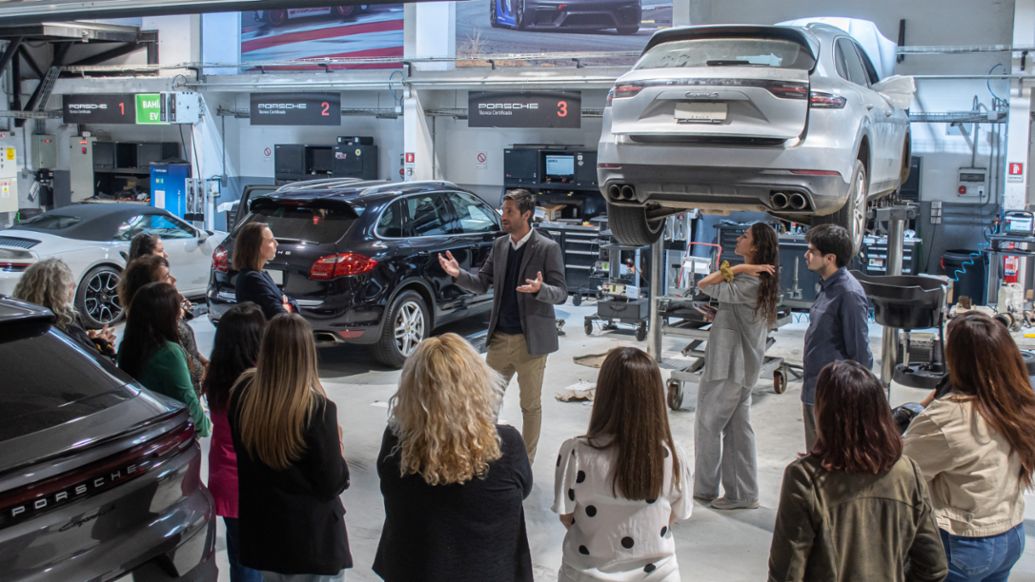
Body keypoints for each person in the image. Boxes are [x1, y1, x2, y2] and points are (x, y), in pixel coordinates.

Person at [373, 333, 533, 582]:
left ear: (411, 388)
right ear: (479, 384)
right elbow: (523, 491)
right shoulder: (506, 444)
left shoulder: (397, 444)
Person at [768, 360, 947, 581]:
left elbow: (786, 574)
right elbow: (933, 567)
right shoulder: (907, 472)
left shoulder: (805, 478)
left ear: (824, 413)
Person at [903, 311, 1035, 582]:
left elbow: (904, 472)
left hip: (964, 543)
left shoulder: (950, 417)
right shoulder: (1018, 403)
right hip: (1009, 533)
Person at [437, 188, 567, 461]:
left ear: (526, 215)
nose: (503, 216)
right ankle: (485, 458)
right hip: (499, 340)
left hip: (530, 343)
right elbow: (482, 282)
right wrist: (457, 274)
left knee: (529, 406)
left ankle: (526, 464)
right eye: (503, 210)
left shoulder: (547, 248)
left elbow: (561, 292)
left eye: (510, 211)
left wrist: (540, 289)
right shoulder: (500, 245)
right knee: (485, 403)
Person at [228, 313, 351, 580]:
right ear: (307, 355)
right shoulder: (317, 411)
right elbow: (332, 483)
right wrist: (338, 447)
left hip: (266, 538)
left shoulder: (241, 396)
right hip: (312, 544)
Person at [553, 347, 692, 582]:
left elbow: (566, 516)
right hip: (659, 574)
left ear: (604, 394)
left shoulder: (575, 452)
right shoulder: (673, 454)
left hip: (586, 573)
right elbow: (677, 514)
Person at [693, 222, 779, 510]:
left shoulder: (749, 281)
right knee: (738, 429)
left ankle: (705, 490)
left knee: (708, 424)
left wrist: (741, 269)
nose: (739, 239)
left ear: (754, 248)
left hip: (730, 368)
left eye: (745, 237)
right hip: (738, 366)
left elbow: (704, 284)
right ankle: (742, 493)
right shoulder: (756, 283)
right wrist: (721, 314)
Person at [204, 302, 266, 582]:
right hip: (251, 484)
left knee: (240, 560)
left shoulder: (216, 378)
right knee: (254, 565)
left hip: (226, 480)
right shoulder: (255, 387)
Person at [801, 223, 872, 449]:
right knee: (816, 456)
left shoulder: (848, 293)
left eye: (812, 251)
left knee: (829, 460)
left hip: (834, 397)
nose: (806, 255)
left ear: (830, 258)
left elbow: (860, 352)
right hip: (815, 389)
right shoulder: (828, 287)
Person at [117, 282, 211, 437]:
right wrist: (205, 427)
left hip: (146, 429)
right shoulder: (169, 353)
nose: (181, 314)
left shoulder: (127, 347)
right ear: (166, 315)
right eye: (177, 310)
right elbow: (187, 398)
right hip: (172, 431)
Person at [119, 254, 207, 396]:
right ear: (152, 289)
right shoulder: (164, 336)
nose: (173, 280)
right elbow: (190, 369)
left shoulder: (136, 329)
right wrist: (205, 371)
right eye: (166, 277)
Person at [12, 258, 116, 359]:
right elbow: (95, 367)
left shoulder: (17, 322)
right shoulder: (66, 325)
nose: (74, 287)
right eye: (69, 285)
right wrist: (104, 345)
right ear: (59, 292)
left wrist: (90, 342)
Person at [233, 222, 294, 320]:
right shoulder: (252, 279)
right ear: (256, 246)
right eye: (270, 241)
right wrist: (285, 305)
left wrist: (288, 305)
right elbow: (280, 314)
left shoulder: (262, 274)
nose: (276, 243)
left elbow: (291, 301)